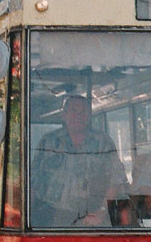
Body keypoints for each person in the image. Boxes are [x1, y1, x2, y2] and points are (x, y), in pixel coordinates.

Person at [30, 95, 128, 227]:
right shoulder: (49, 141)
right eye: (74, 111)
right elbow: (33, 179)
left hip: (91, 216)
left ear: (89, 116)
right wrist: (26, 213)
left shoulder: (103, 142)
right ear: (64, 115)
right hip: (52, 217)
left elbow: (117, 178)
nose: (79, 115)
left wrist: (102, 211)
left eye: (83, 111)